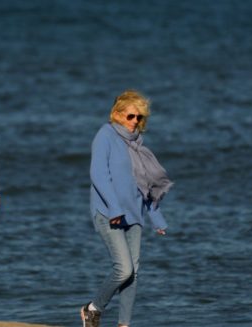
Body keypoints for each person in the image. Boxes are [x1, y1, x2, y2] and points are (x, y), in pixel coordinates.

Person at [81, 90, 173, 327]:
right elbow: (99, 176)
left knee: (133, 274)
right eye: (131, 116)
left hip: (134, 216)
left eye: (140, 118)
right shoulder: (105, 135)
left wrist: (156, 217)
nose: (135, 122)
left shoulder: (138, 145)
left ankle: (124, 324)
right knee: (123, 269)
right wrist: (114, 210)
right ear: (117, 114)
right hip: (108, 213)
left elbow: (144, 187)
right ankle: (93, 308)